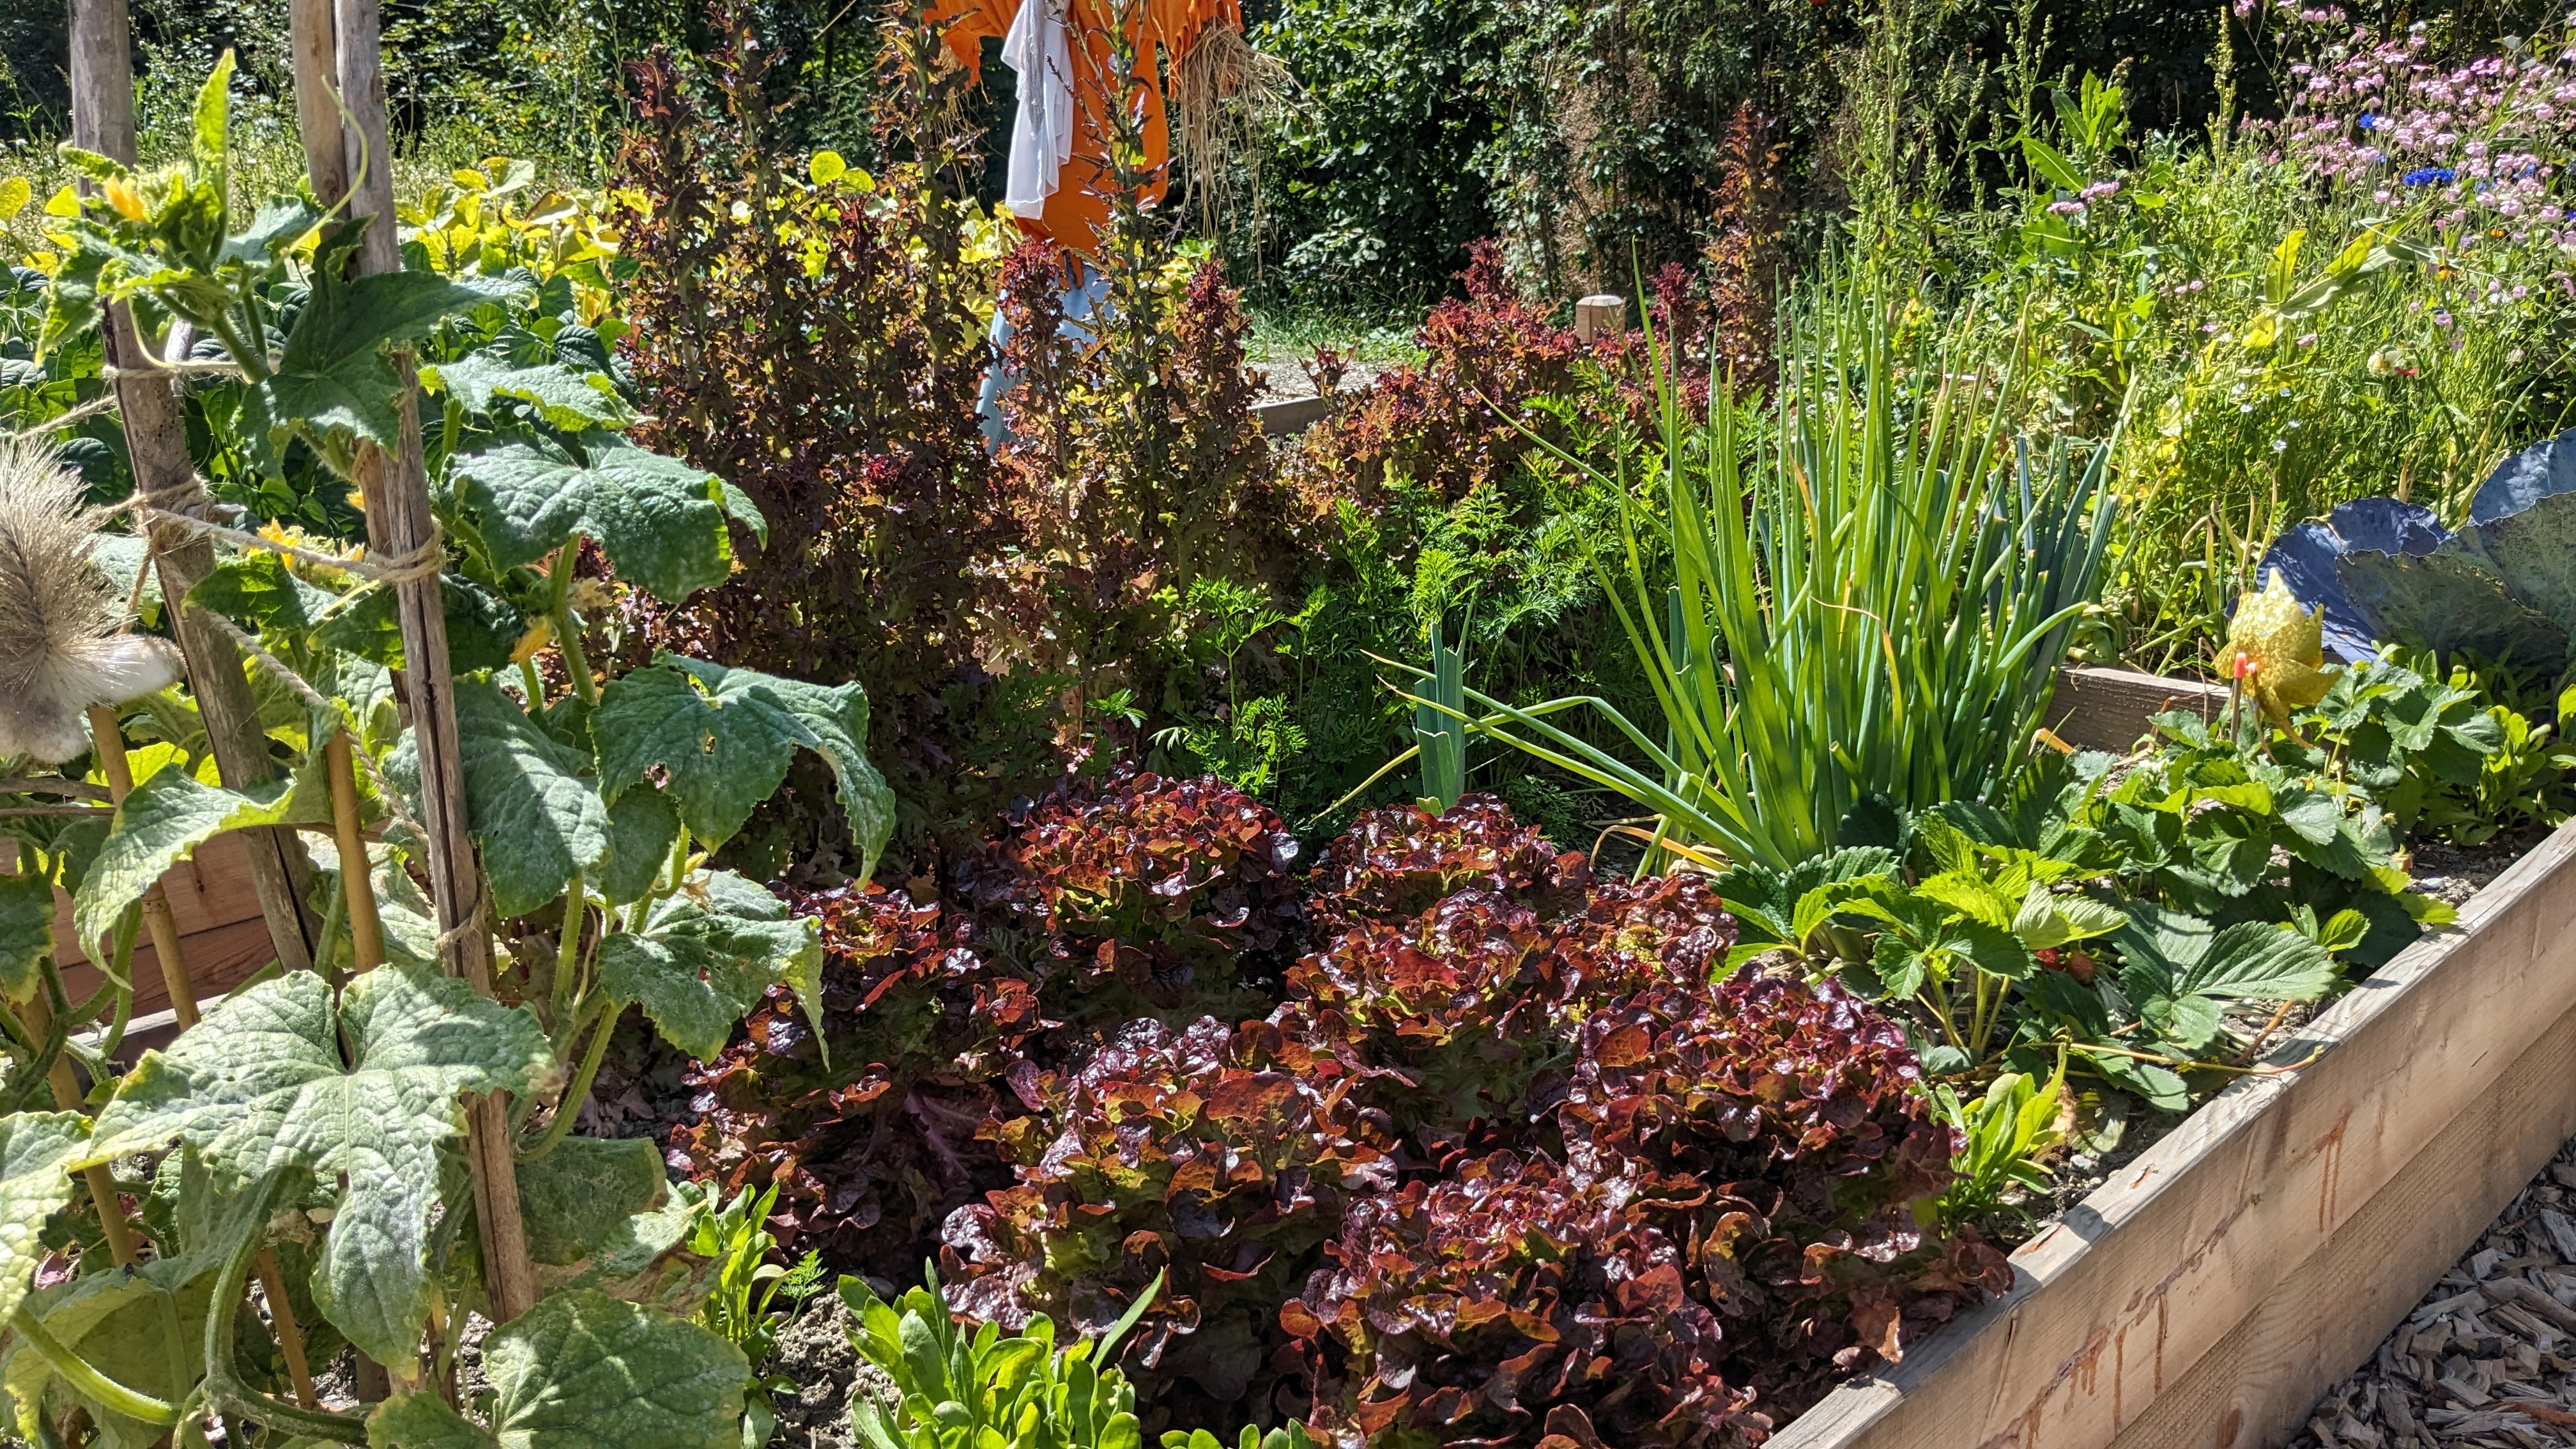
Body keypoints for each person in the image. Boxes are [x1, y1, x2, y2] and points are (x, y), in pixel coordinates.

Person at [933, 0, 1245, 444]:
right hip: (1075, 225)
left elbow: (946, 14)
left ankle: (1030, 461)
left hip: (1080, 219)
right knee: (1070, 359)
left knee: (1053, 346)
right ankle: (1062, 465)